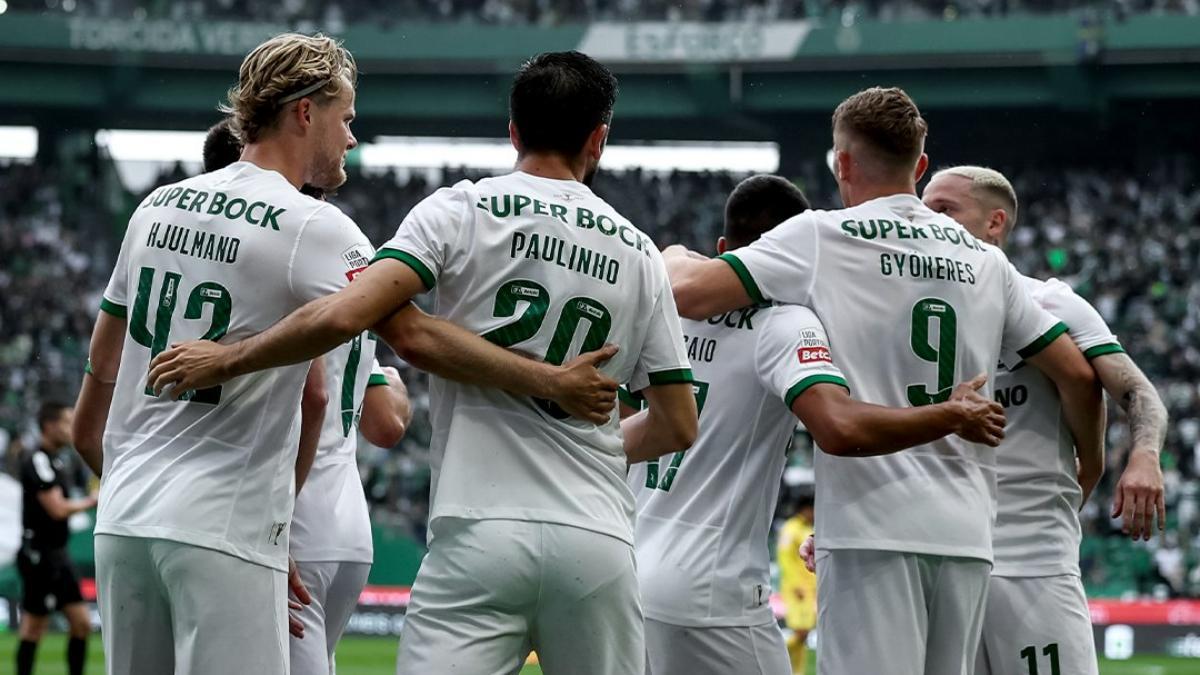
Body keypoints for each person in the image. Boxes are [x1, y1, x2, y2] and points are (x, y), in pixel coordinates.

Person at [147, 50, 698, 675]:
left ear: (513, 131)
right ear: (598, 139)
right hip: (598, 537)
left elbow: (377, 320)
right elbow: (678, 423)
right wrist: (585, 433)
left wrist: (230, 359)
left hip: (478, 530)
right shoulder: (641, 254)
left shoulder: (458, 210)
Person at [662, 87, 1104, 675]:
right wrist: (1088, 470)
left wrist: (673, 254)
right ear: (920, 166)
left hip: (871, 526)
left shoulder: (822, 236)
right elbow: (1077, 374)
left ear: (841, 163)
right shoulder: (987, 261)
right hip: (969, 535)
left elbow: (686, 295)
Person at [627, 174, 1006, 675]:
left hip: (630, 572)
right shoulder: (785, 325)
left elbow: (673, 258)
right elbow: (839, 426)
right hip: (712, 589)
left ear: (724, 247)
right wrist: (949, 414)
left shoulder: (669, 306)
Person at [921, 166, 1168, 675]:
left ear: (995, 224)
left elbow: (1137, 391)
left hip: (1031, 550)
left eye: (944, 210)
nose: (929, 222)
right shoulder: (912, 312)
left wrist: (1143, 456)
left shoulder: (1048, 302)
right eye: (923, 210)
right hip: (938, 551)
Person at [201, 117, 415, 675]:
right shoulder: (345, 271)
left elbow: (312, 395)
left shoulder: (278, 261)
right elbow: (387, 426)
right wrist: (391, 380)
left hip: (290, 511)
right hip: (346, 518)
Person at [15, 402, 97, 675]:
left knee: (82, 623)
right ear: (49, 425)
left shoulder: (60, 459)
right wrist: (91, 501)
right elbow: (58, 508)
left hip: (58, 554)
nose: (70, 428)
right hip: (39, 554)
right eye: (65, 422)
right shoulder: (36, 457)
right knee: (33, 627)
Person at [778, 497, 817, 675]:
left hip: (809, 589)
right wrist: (796, 585)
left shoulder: (809, 529)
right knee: (801, 633)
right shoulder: (790, 529)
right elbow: (784, 560)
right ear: (805, 508)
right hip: (796, 590)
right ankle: (775, 654)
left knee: (805, 636)